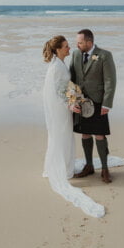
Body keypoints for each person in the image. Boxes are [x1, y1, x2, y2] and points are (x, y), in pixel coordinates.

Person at [42, 35, 105, 218]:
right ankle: (61, 168)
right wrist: (69, 104)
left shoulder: (60, 64)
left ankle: (65, 165)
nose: (70, 49)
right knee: (61, 136)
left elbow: (66, 87)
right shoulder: (55, 67)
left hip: (64, 107)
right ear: (58, 49)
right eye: (66, 47)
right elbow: (56, 91)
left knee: (64, 136)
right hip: (61, 109)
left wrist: (73, 96)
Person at [70, 29, 117, 183]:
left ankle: (104, 168)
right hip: (82, 101)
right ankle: (89, 166)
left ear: (89, 43)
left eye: (80, 42)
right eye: (77, 41)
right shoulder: (76, 55)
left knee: (99, 134)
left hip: (98, 101)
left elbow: (110, 81)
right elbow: (72, 77)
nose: (77, 44)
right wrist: (72, 99)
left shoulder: (104, 55)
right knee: (85, 133)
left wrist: (107, 104)